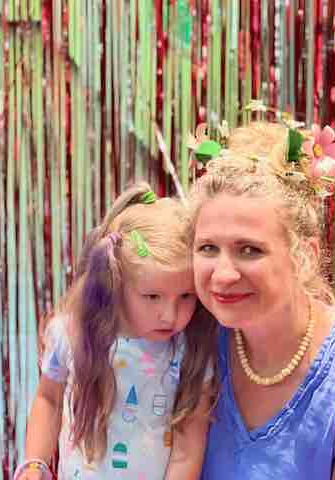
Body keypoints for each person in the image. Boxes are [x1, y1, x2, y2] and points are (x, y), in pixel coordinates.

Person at [188, 121, 335, 479]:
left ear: (304, 254)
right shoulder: (193, 343)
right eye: (208, 248)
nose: (223, 274)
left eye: (250, 250)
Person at [15, 183, 217, 480]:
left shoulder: (189, 350)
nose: (170, 315)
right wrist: (34, 464)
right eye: (152, 296)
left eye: (186, 296)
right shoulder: (70, 334)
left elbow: (188, 446)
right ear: (115, 281)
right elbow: (49, 399)